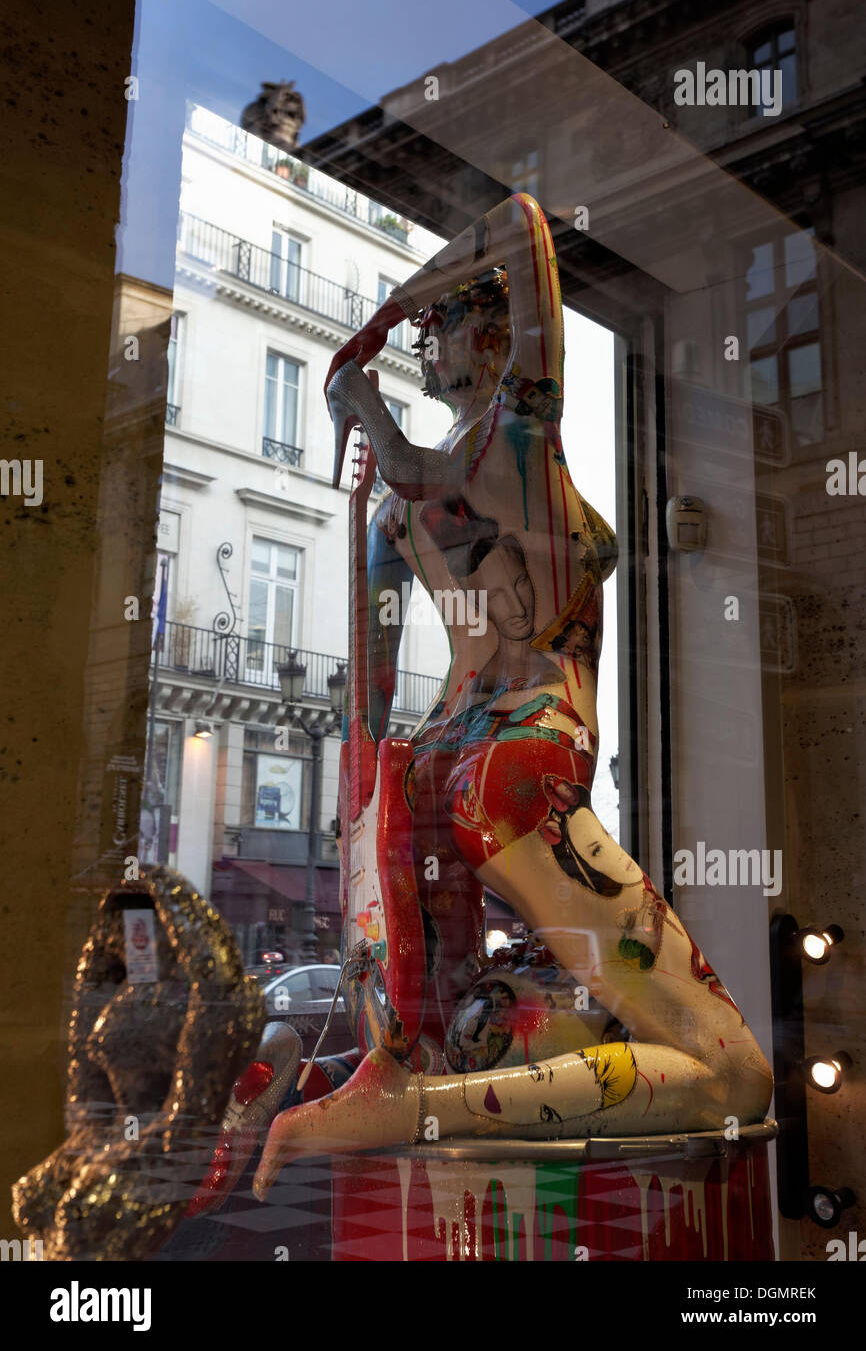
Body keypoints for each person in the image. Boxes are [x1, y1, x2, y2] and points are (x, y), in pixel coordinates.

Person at [253, 194, 771, 1194]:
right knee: (731, 1069)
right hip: (524, 761)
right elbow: (527, 225)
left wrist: (361, 383)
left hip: (439, 765)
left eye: (435, 319)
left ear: (473, 333)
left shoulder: (399, 512)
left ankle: (406, 1084)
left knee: (448, 1028)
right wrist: (399, 305)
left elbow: (370, 698)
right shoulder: (523, 437)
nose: (423, 334)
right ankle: (421, 1107)